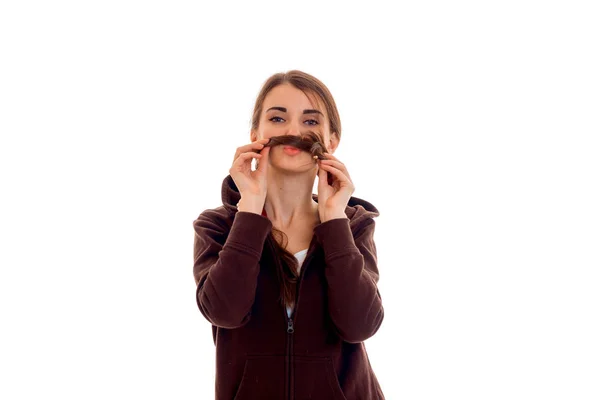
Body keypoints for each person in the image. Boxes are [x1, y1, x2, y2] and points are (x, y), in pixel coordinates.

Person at [192, 70, 385, 399]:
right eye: (278, 118)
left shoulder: (353, 226)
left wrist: (334, 221)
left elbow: (360, 325)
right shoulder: (218, 226)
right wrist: (250, 210)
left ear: (331, 140)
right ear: (256, 133)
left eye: (310, 122)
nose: (293, 131)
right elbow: (224, 311)